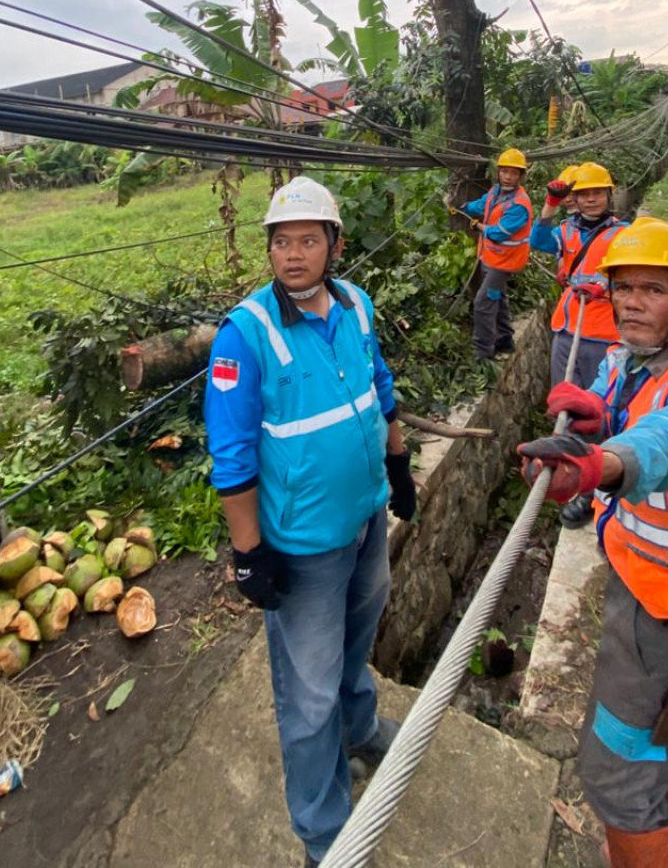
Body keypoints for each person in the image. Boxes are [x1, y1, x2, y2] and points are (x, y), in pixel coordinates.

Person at [517, 218, 668, 867]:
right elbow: (630, 413)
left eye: (652, 290)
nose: (631, 303)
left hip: (666, 614)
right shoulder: (633, 365)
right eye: (623, 289)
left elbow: (667, 442)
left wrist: (600, 463)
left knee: (617, 778)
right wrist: (600, 416)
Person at [202, 176, 417, 866]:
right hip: (302, 550)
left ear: (334, 245)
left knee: (358, 642)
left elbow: (379, 388)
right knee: (308, 690)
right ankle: (325, 833)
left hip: (363, 522)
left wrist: (400, 465)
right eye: (281, 242)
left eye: (307, 241)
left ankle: (360, 732)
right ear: (269, 250)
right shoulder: (246, 335)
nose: (293, 255)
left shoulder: (355, 305)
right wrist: (247, 552)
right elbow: (231, 456)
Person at [529, 161, 625, 526]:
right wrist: (550, 206)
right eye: (584, 194)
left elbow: (632, 274)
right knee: (565, 401)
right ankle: (570, 473)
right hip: (568, 326)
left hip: (604, 332)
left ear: (608, 195)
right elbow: (537, 241)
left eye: (597, 193)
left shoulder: (622, 235)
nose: (591, 200)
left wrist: (606, 287)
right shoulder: (567, 231)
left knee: (599, 408)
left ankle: (594, 489)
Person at [462, 148, 534, 362]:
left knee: (483, 303)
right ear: (499, 172)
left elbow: (499, 232)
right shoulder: (495, 192)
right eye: (505, 171)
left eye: (513, 173)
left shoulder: (520, 204)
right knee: (498, 299)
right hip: (490, 258)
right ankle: (505, 341)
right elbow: (482, 204)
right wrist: (463, 206)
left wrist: (480, 227)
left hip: (504, 262)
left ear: (521, 176)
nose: (508, 176)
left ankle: (482, 351)